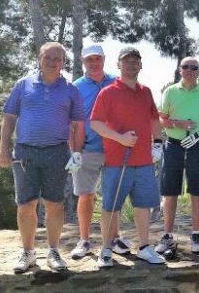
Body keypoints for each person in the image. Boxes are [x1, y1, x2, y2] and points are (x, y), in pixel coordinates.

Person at [0, 42, 85, 273]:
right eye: (48, 57)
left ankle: (53, 251)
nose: (53, 61)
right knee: (26, 205)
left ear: (63, 63)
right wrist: (4, 148)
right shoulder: (23, 84)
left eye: (58, 58)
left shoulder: (70, 89)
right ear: (40, 58)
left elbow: (78, 124)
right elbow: (9, 117)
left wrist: (76, 153)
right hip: (25, 152)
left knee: (54, 205)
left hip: (57, 152)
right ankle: (28, 252)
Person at [90, 46, 166, 267]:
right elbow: (95, 123)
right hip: (116, 161)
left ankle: (144, 247)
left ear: (140, 65)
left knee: (144, 206)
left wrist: (158, 143)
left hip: (143, 161)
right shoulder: (108, 92)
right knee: (111, 207)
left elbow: (154, 119)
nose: (131, 64)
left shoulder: (146, 91)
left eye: (135, 61)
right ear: (118, 65)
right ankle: (105, 250)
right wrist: (119, 138)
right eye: (127, 61)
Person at [69, 44, 134, 259]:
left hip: (115, 148)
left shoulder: (117, 82)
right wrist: (74, 151)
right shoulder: (75, 87)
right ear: (82, 62)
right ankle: (84, 240)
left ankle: (114, 238)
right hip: (87, 149)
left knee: (112, 196)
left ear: (104, 59)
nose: (94, 63)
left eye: (97, 59)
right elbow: (71, 122)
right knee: (86, 195)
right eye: (89, 60)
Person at [156, 57, 199, 256]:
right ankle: (167, 236)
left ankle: (196, 234)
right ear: (179, 70)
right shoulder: (170, 91)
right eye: (186, 67)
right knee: (170, 191)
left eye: (194, 68)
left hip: (197, 145)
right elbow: (161, 119)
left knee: (197, 192)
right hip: (173, 145)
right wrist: (177, 124)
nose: (189, 70)